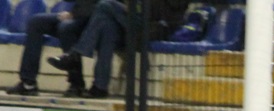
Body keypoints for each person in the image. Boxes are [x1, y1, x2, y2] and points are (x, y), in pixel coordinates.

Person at [47, 0, 189, 98]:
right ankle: (99, 87)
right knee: (107, 26)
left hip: (155, 26)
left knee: (104, 5)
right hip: (136, 19)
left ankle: (75, 54)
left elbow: (160, 11)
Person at [6, 0, 95, 97]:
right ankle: (28, 83)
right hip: (77, 15)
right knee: (35, 22)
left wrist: (73, 14)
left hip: (94, 20)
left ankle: (77, 84)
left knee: (66, 27)